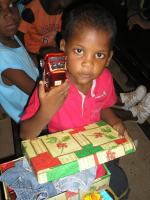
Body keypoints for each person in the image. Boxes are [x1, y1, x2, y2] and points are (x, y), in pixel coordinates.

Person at [20, 1, 129, 199]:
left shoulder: (104, 78)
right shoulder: (51, 86)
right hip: (63, 160)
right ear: (63, 47)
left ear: (109, 58)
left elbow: (102, 106)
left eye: (99, 55)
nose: (88, 63)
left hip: (95, 150)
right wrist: (46, 111)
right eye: (79, 51)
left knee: (120, 186)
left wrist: (113, 120)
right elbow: (25, 135)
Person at [0, 0, 39, 123]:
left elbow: (27, 61)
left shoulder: (10, 37)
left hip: (40, 105)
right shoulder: (3, 56)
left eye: (11, 5)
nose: (9, 14)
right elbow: (40, 94)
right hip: (36, 119)